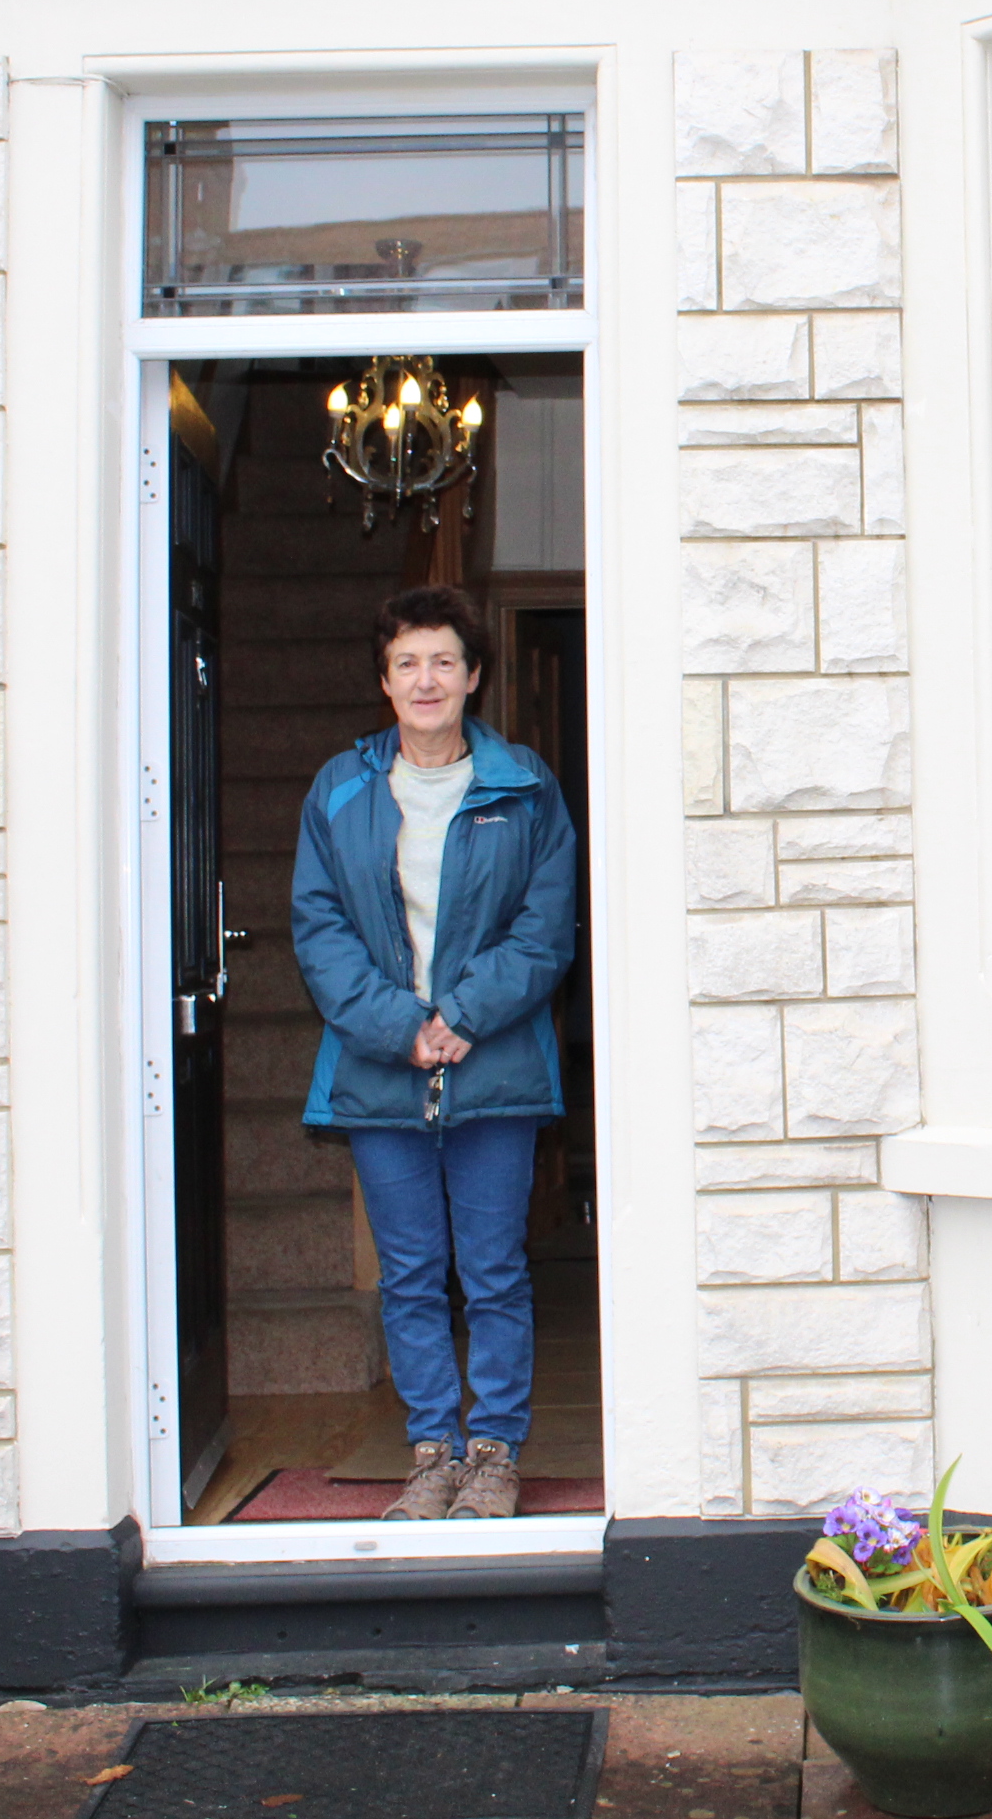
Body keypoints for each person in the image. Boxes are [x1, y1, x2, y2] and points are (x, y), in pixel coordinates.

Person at [290, 585, 578, 1521]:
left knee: (493, 1269)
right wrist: (397, 1027)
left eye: (444, 661)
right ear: (385, 681)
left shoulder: (526, 786)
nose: (427, 679)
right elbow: (318, 927)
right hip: (381, 1073)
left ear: (475, 676)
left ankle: (492, 1452)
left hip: (494, 1068)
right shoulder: (340, 789)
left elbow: (546, 930)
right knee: (411, 1275)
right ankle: (430, 1453)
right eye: (408, 662)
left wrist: (459, 1018)